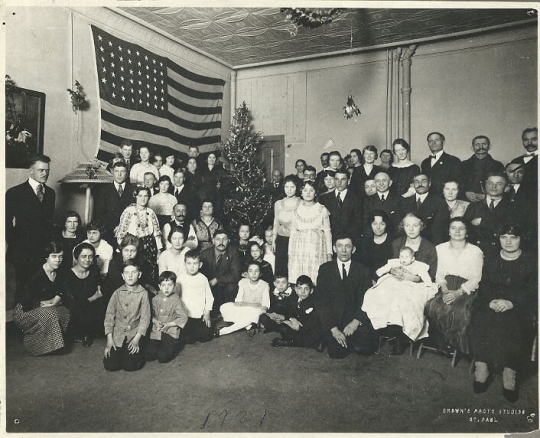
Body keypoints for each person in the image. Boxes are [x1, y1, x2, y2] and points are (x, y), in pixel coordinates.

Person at [469, 223, 537, 402]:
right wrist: (491, 301)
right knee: (481, 317)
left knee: (514, 323)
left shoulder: (530, 261)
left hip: (518, 305)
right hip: (491, 301)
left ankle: (510, 371)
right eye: (503, 237)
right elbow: (484, 286)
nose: (508, 242)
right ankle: (481, 366)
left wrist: (511, 302)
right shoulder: (491, 258)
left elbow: (532, 291)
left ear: (521, 239)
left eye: (513, 237)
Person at [425, 217, 483, 355]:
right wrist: (445, 291)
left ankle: (453, 344)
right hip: (444, 284)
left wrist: (457, 293)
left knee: (458, 310)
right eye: (453, 228)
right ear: (448, 231)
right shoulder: (440, 248)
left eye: (461, 228)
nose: (457, 231)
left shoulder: (476, 252)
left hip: (465, 288)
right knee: (432, 305)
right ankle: (441, 341)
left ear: (467, 233)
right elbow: (438, 273)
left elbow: (475, 279)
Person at [362, 246, 436, 353]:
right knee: (379, 294)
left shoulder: (417, 266)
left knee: (406, 300)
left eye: (406, 257)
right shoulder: (396, 262)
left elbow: (424, 276)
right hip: (393, 283)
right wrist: (377, 274)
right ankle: (384, 327)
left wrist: (428, 284)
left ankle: (400, 335)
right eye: (402, 256)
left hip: (410, 285)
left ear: (413, 258)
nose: (403, 259)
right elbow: (385, 268)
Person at [316, 233, 377, 359]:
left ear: (353, 249)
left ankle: (349, 342)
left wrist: (355, 322)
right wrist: (334, 330)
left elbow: (367, 300)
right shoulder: (325, 269)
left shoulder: (362, 270)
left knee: (367, 348)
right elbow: (322, 302)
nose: (343, 250)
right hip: (334, 321)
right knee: (336, 353)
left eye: (347, 246)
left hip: (353, 319)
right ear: (334, 248)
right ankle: (335, 341)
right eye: (340, 246)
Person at [12, 241, 71, 356]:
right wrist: (50, 303)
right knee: (51, 314)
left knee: (66, 313)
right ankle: (33, 344)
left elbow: (63, 290)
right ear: (46, 257)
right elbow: (25, 300)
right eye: (54, 256)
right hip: (25, 310)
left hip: (48, 307)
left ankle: (50, 344)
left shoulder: (60, 273)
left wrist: (56, 300)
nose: (58, 260)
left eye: (61, 256)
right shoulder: (35, 274)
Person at [103, 259, 151, 372]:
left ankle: (137, 351)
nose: (130, 276)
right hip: (118, 334)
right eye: (126, 273)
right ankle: (120, 353)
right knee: (111, 365)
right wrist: (109, 340)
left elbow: (145, 318)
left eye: (133, 272)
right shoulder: (117, 293)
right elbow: (109, 317)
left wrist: (137, 339)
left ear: (139, 274)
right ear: (122, 276)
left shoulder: (143, 293)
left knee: (130, 365)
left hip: (134, 334)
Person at [115, 186, 163, 286]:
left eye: (146, 196)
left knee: (147, 274)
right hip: (133, 245)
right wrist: (122, 250)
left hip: (149, 247)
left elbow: (157, 233)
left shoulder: (151, 212)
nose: (143, 198)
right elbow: (121, 233)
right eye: (140, 195)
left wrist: (159, 251)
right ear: (135, 196)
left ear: (149, 197)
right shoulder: (129, 211)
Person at [288, 180, 332, 285]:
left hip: (316, 249)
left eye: (311, 190)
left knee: (316, 278)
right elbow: (293, 233)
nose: (308, 193)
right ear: (301, 192)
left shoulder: (322, 209)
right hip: (299, 250)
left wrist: (329, 253)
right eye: (305, 190)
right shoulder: (296, 211)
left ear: (316, 192)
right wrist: (290, 253)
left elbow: (327, 232)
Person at [62, 243, 103, 348]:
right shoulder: (67, 275)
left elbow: (100, 291)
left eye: (90, 256)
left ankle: (88, 333)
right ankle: (82, 334)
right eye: (84, 256)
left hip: (90, 307)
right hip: (74, 309)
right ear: (76, 258)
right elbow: (71, 301)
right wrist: (93, 298)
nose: (87, 260)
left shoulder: (94, 272)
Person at [215, 261, 270, 337]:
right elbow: (238, 301)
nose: (253, 274)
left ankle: (224, 331)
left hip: (255, 311)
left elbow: (265, 306)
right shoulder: (242, 282)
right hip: (243, 309)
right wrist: (248, 305)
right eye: (250, 271)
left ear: (260, 273)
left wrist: (247, 304)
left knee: (256, 313)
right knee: (224, 307)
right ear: (247, 273)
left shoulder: (265, 285)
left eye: (256, 271)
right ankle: (249, 326)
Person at [464, 173, 513, 257]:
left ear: (506, 188)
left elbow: (510, 228)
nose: (493, 186)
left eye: (499, 184)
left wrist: (482, 222)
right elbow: (466, 227)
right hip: (476, 251)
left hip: (500, 253)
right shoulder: (474, 205)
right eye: (490, 183)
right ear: (485, 186)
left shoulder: (512, 207)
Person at [145, 271, 188, 364]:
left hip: (170, 332)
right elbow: (149, 315)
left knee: (163, 357)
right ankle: (159, 346)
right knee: (149, 355)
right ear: (159, 287)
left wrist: (169, 324)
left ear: (175, 286)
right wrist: (155, 322)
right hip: (156, 331)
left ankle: (174, 345)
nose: (167, 288)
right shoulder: (155, 299)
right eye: (163, 285)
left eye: (170, 285)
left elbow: (183, 317)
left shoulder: (176, 300)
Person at [270, 275, 322, 349]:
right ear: (296, 289)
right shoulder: (293, 298)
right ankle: (293, 340)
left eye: (306, 289)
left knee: (307, 338)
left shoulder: (312, 303)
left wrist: (291, 323)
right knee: (282, 325)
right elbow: (289, 311)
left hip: (308, 330)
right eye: (300, 288)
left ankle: (288, 342)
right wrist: (292, 319)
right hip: (298, 326)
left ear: (311, 291)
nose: (303, 292)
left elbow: (310, 324)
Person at [199, 231, 242, 314]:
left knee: (232, 287)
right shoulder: (204, 254)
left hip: (225, 285)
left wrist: (217, 280)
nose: (221, 242)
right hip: (210, 286)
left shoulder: (234, 252)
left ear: (229, 240)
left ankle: (228, 313)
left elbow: (236, 275)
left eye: (224, 239)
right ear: (213, 240)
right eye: (218, 239)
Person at [177, 250, 215, 344]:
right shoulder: (180, 279)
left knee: (205, 336)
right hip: (186, 316)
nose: (192, 266)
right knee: (188, 339)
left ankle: (205, 327)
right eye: (189, 263)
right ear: (184, 264)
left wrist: (207, 313)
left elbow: (209, 297)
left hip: (200, 315)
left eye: (195, 263)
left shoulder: (203, 279)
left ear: (200, 265)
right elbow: (176, 297)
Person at [95, 161, 135, 247]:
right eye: (117, 171)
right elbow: (99, 213)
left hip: (129, 232)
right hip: (109, 232)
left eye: (122, 171)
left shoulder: (133, 190)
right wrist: (112, 228)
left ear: (127, 174)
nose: (119, 174)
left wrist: (123, 228)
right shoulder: (104, 190)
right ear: (112, 173)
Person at [319, 169, 363, 247]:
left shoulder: (357, 199)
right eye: (336, 179)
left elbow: (358, 222)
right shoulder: (324, 198)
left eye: (343, 179)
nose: (339, 183)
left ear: (348, 181)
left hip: (350, 242)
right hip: (329, 241)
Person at [402, 174, 450, 245]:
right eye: (416, 182)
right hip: (408, 244)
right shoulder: (404, 202)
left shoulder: (439, 202)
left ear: (429, 183)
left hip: (430, 244)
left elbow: (439, 231)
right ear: (413, 185)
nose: (420, 184)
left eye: (423, 181)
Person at [391, 213, 438, 280]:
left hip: (420, 285)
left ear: (421, 226)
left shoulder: (429, 247)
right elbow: (391, 266)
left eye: (415, 225)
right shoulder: (396, 244)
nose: (411, 229)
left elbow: (432, 275)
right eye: (407, 225)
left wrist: (415, 278)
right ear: (402, 226)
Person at [271, 176, 301, 277]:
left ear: (296, 188)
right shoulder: (278, 204)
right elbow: (276, 222)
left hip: (297, 240)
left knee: (294, 267)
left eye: (292, 187)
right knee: (281, 267)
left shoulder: (301, 203)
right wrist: (274, 240)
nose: (289, 189)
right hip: (281, 239)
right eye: (286, 187)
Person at [461, 135, 504, 202]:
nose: (481, 147)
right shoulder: (464, 165)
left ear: (489, 147)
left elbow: (502, 185)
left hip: (490, 202)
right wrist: (465, 193)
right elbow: (458, 183)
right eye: (477, 144)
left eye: (484, 144)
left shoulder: (497, 165)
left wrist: (488, 195)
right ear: (472, 148)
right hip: (467, 201)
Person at [363, 172, 404, 238]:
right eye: (378, 181)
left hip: (393, 238)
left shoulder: (399, 199)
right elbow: (365, 223)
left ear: (390, 183)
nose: (381, 183)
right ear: (375, 183)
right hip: (373, 239)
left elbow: (400, 224)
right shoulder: (367, 201)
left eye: (384, 180)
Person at [355, 210, 394, 280]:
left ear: (386, 224)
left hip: (388, 279)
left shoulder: (392, 241)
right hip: (370, 280)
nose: (378, 227)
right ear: (370, 224)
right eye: (375, 224)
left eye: (382, 224)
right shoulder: (366, 242)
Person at [420, 132, 462, 197]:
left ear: (443, 142)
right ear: (428, 144)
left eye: (436, 140)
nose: (433, 143)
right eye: (431, 141)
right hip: (428, 200)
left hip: (446, 199)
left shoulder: (453, 161)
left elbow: (457, 184)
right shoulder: (425, 162)